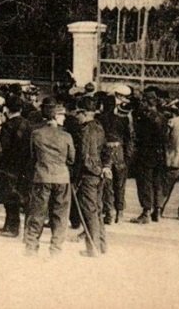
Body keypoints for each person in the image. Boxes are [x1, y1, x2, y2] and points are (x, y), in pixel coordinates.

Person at [24, 100, 74, 257]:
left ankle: (31, 247)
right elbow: (71, 159)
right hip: (62, 178)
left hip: (41, 177)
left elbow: (32, 156)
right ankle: (56, 249)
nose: (64, 118)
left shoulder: (36, 134)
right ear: (56, 116)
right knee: (60, 214)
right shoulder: (66, 136)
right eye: (62, 115)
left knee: (37, 212)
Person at [73, 97, 110, 257]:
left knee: (89, 212)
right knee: (97, 210)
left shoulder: (85, 130)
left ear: (84, 113)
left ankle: (92, 248)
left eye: (78, 113)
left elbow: (84, 157)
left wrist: (76, 178)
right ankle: (101, 245)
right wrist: (104, 167)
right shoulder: (99, 127)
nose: (76, 116)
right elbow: (106, 150)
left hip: (88, 175)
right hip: (99, 174)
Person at [98, 86, 133, 224]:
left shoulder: (99, 118)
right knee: (120, 183)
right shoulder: (123, 119)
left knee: (107, 183)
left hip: (105, 151)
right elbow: (129, 137)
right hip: (119, 151)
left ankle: (108, 214)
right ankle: (120, 212)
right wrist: (128, 154)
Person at [131, 91, 166, 224]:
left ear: (147, 102)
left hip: (146, 154)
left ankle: (146, 211)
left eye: (144, 102)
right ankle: (157, 210)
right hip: (159, 154)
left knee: (145, 182)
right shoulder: (163, 117)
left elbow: (141, 137)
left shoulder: (146, 119)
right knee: (157, 183)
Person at [0, 95, 30, 236]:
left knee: (10, 197)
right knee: (20, 195)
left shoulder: (7, 126)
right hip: (24, 165)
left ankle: (12, 227)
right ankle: (11, 226)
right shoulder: (28, 124)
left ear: (6, 109)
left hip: (9, 166)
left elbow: (2, 148)